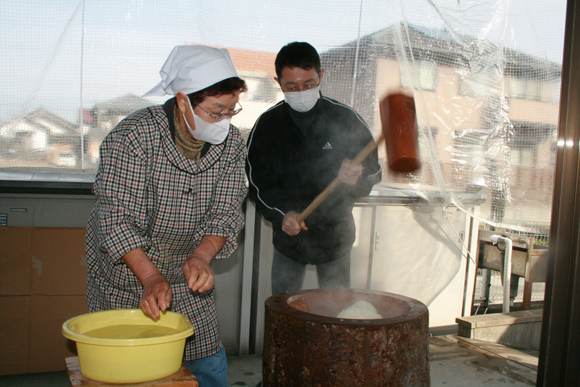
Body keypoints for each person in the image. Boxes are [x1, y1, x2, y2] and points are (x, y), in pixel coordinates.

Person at [86, 45, 248, 387]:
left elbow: (227, 212)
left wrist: (202, 258)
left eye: (231, 111)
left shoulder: (232, 145)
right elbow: (114, 218)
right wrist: (151, 278)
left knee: (205, 365)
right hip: (129, 279)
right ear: (182, 100)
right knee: (129, 371)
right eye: (216, 110)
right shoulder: (135, 136)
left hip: (189, 281)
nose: (224, 120)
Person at [246, 42, 381, 295]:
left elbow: (374, 171)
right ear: (278, 82)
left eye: (309, 85)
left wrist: (356, 177)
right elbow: (258, 182)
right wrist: (283, 213)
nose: (301, 92)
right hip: (289, 239)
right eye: (292, 87)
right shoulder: (267, 126)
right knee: (284, 311)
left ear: (321, 75)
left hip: (336, 239)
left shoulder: (345, 118)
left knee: (336, 311)